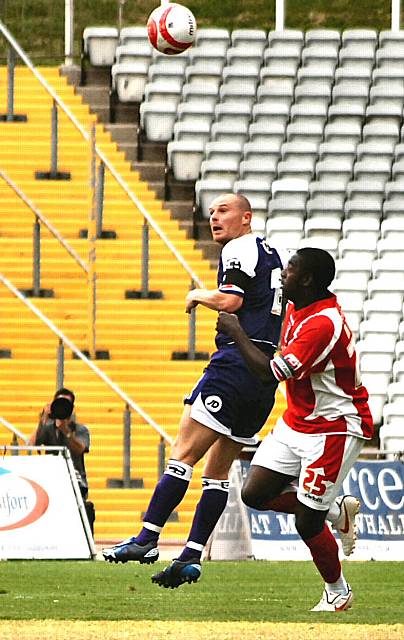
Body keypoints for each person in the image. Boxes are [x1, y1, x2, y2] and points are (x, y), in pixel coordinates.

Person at [103, 195, 357, 589]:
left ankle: (147, 538)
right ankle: (191, 555)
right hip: (263, 376)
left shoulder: (240, 248)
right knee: (218, 473)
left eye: (224, 211)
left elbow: (232, 300)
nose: (214, 217)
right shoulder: (277, 255)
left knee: (182, 456)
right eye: (212, 212)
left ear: (246, 217)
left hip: (235, 365)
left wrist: (197, 295)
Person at [216, 247, 374, 612]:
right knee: (254, 493)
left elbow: (268, 372)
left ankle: (338, 591)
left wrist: (236, 331)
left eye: (289, 270)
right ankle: (338, 513)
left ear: (306, 280)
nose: (283, 274)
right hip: (298, 420)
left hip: (335, 427)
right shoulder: (295, 304)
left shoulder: (323, 323)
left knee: (307, 521)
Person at [29, 387, 95, 536]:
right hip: (52, 478)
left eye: (67, 404)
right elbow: (32, 444)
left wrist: (66, 432)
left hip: (76, 479)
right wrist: (43, 419)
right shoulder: (48, 428)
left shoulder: (80, 430)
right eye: (59, 403)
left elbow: (80, 449)